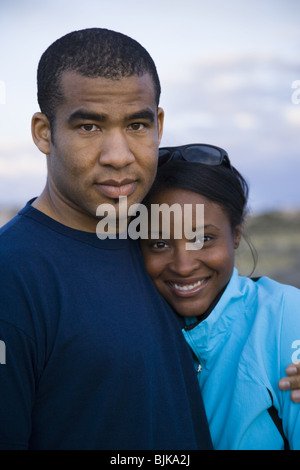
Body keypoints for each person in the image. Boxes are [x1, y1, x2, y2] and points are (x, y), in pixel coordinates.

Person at [0, 29, 213, 450]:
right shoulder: (13, 274)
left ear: (159, 126)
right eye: (90, 126)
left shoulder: (162, 243)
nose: (118, 155)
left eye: (137, 124)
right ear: (44, 132)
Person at [140, 143, 300, 450]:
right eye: (159, 244)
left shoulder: (283, 316)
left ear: (236, 234)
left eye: (203, 239)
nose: (183, 266)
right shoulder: (129, 332)